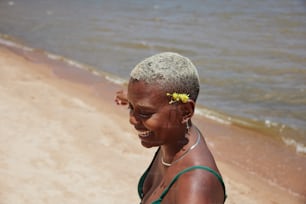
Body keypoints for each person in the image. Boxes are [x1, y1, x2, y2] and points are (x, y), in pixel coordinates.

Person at [115, 52, 226, 204]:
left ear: (185, 111)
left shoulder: (195, 188)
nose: (132, 119)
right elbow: (154, 100)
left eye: (145, 112)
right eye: (131, 107)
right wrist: (129, 98)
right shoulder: (176, 135)